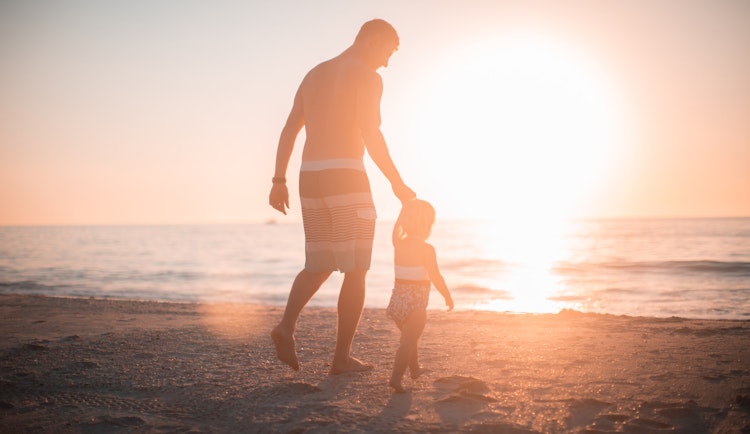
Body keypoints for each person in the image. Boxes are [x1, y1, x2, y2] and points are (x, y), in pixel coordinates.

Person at [268, 19, 416, 374]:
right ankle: (341, 359)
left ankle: (286, 326)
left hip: (310, 176)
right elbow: (371, 133)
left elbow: (291, 128)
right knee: (356, 268)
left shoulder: (315, 73)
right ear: (373, 41)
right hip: (346, 175)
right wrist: (397, 182)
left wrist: (278, 180)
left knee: (319, 263)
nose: (386, 63)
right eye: (388, 52)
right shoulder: (367, 76)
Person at [386, 199, 453, 393]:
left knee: (409, 337)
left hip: (397, 303)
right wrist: (447, 295)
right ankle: (396, 378)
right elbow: (435, 276)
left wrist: (403, 209)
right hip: (416, 304)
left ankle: (414, 369)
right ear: (428, 225)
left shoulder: (398, 243)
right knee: (407, 343)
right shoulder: (426, 249)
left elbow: (396, 228)